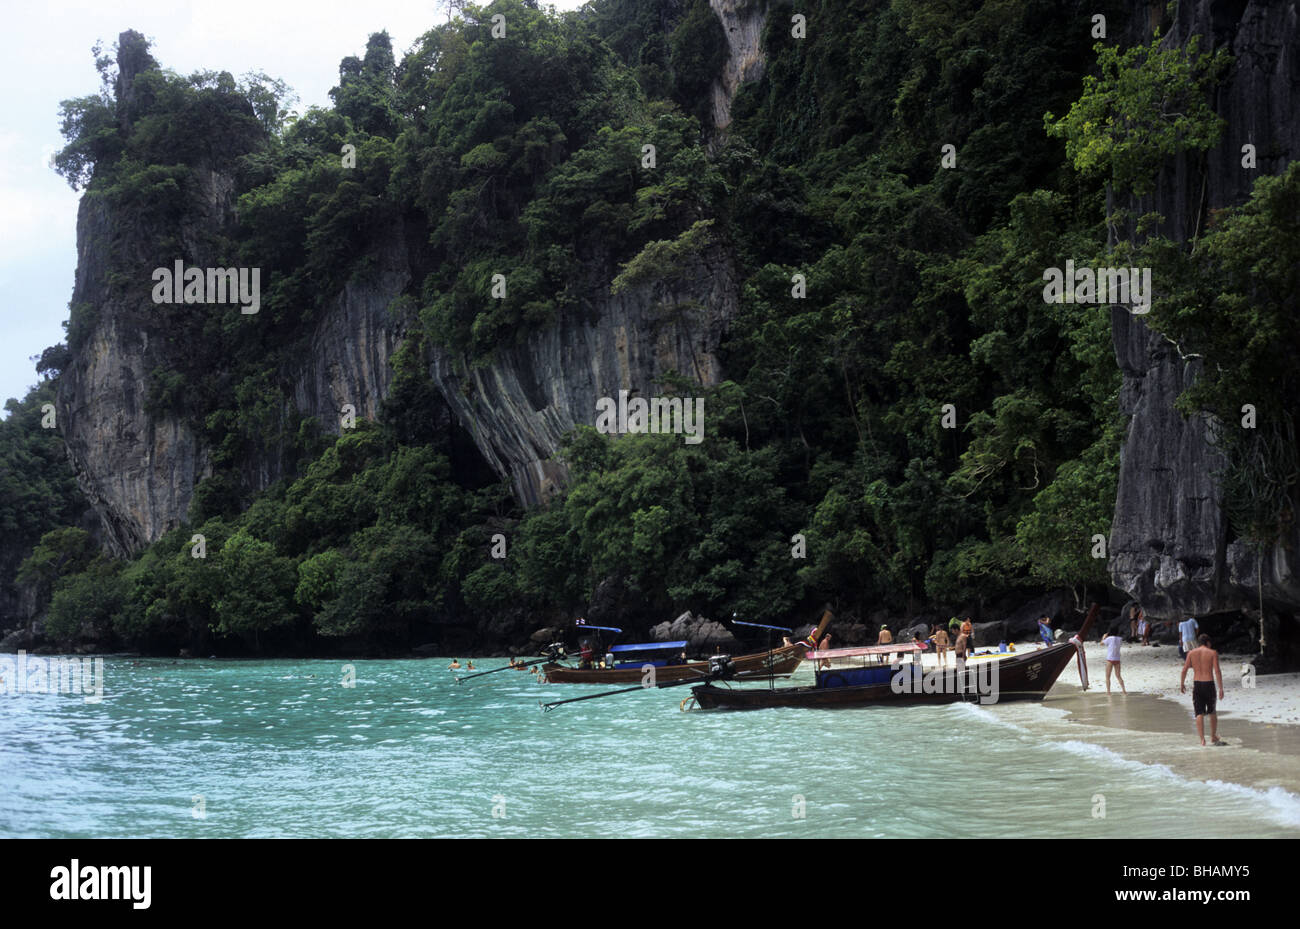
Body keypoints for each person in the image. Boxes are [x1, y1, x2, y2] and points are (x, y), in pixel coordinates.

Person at [1180, 634, 1225, 746]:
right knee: (1212, 711)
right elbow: (1217, 671)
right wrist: (1220, 688)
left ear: (1199, 643)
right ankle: (1213, 736)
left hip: (1197, 684)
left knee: (1199, 712)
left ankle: (1202, 740)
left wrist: (1182, 683)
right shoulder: (1212, 653)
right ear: (1208, 642)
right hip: (1209, 684)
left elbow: (1184, 670)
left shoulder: (1191, 653)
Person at [1101, 628, 1126, 694]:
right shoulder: (1120, 639)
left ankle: (1108, 692)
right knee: (1118, 676)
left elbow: (1101, 643)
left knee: (1107, 676)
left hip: (1110, 659)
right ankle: (1124, 690)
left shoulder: (1109, 638)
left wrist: (1104, 637)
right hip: (1117, 659)